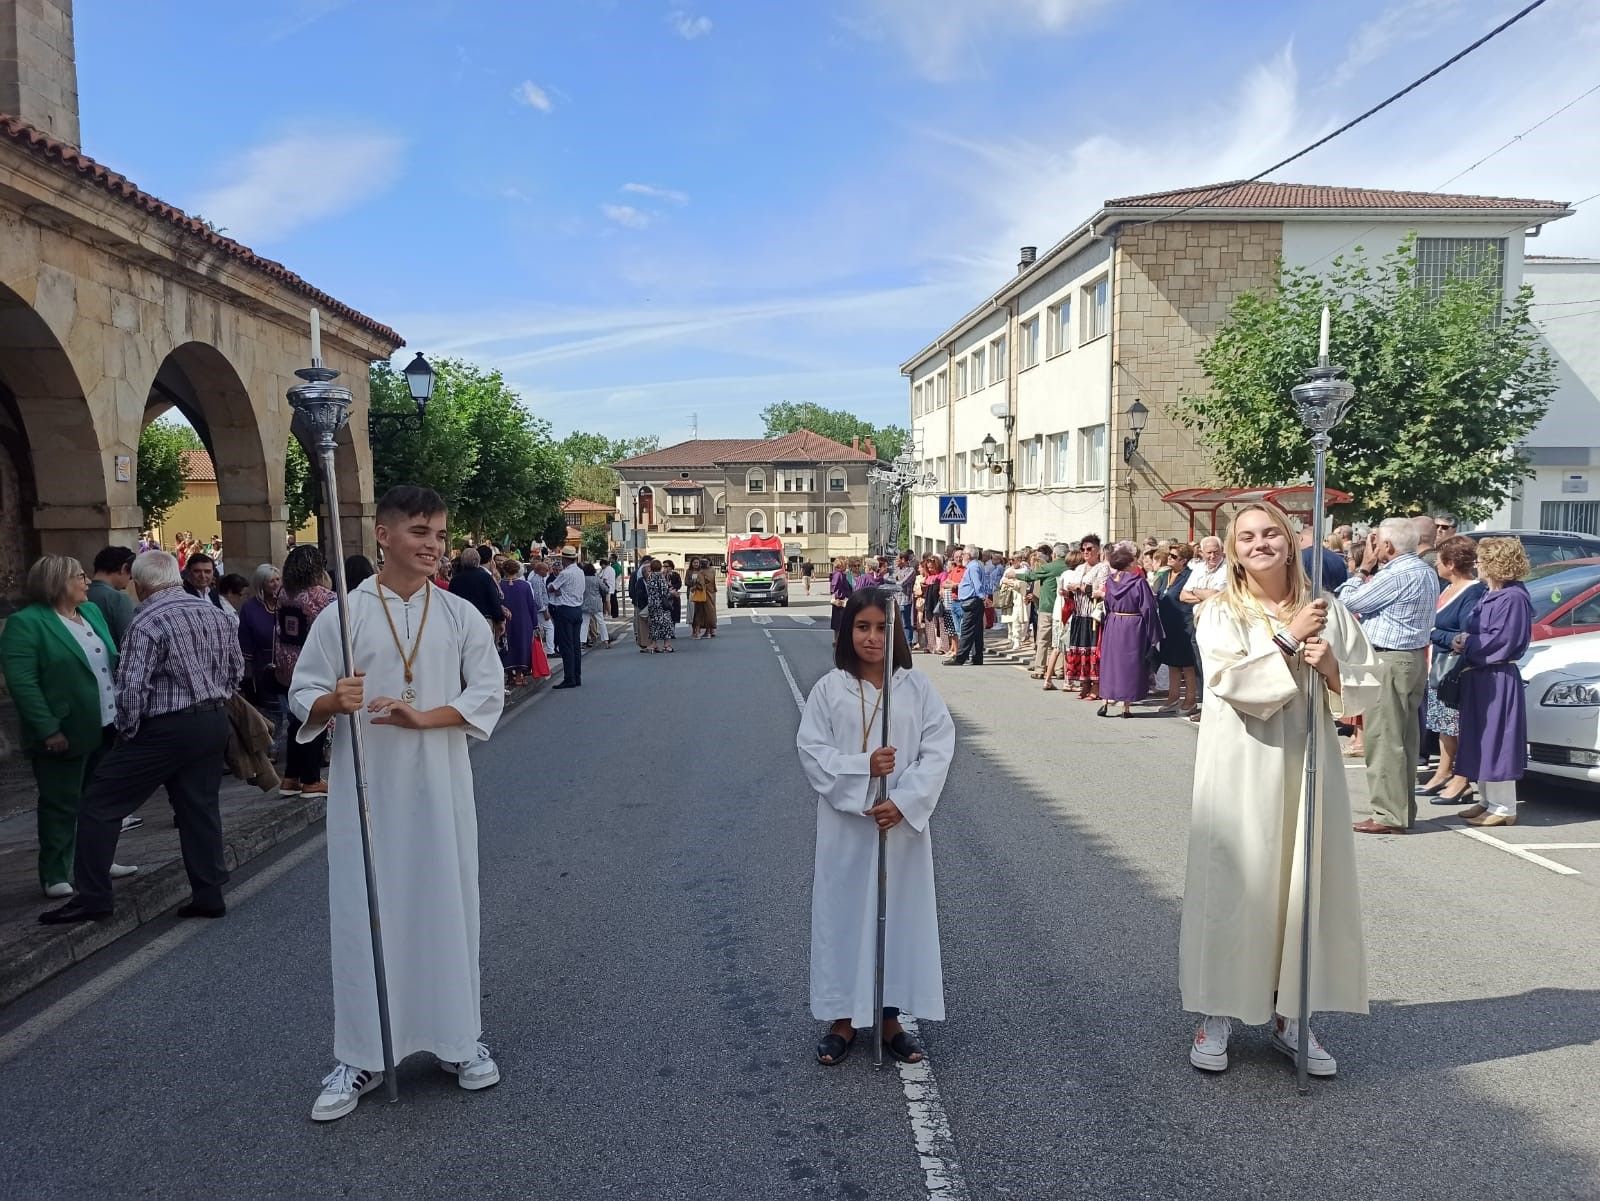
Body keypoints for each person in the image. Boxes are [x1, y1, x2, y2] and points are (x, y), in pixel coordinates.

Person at [289, 485, 506, 1121]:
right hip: (368, 792)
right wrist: (334, 701)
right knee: (366, 909)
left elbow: (486, 691)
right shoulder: (344, 617)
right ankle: (361, 1053)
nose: (433, 546)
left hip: (441, 785)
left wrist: (425, 717)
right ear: (383, 536)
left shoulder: (459, 615)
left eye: (439, 535)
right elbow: (304, 690)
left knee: (447, 904)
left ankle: (458, 1039)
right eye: (419, 533)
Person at [1179, 504, 1381, 1079]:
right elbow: (1232, 683)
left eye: (1270, 533)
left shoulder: (1325, 608)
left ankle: (1293, 1014)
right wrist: (1290, 642)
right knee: (1237, 882)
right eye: (1247, 536)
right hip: (1241, 762)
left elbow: (1365, 688)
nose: (1259, 543)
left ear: (1291, 542)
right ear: (1234, 548)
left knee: (1302, 885)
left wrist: (1334, 667)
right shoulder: (1220, 610)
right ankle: (1216, 1011)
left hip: (1307, 761)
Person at [39, 551, 244, 925]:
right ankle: (209, 892)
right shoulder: (215, 613)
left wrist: (128, 731)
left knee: (99, 804)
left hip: (166, 726)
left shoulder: (147, 620)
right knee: (199, 809)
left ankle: (93, 897)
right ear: (176, 576)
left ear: (140, 582)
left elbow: (132, 688)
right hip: (213, 718)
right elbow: (236, 669)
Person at [796, 588, 955, 1067]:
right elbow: (812, 752)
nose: (872, 637)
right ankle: (843, 1020)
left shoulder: (915, 687)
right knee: (845, 917)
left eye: (882, 628)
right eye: (862, 627)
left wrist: (903, 803)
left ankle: (889, 1019)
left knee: (896, 918)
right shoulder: (830, 688)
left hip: (900, 830)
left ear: (896, 632)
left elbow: (939, 748)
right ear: (848, 633)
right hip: (849, 829)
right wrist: (866, 770)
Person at [0, 555, 133, 898]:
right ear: (57, 582)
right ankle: (56, 871)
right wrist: (47, 728)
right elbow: (23, 683)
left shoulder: (90, 613)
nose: (87, 581)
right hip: (63, 730)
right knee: (62, 802)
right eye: (79, 576)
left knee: (103, 799)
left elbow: (111, 659)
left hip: (106, 722)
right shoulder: (26, 624)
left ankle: (100, 859)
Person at [1340, 517, 1440, 834]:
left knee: (1384, 739)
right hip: (1412, 659)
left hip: (1390, 659)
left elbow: (1347, 602)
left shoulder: (1397, 573)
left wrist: (1363, 569)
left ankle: (1387, 814)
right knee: (1404, 740)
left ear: (1387, 545)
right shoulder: (1425, 570)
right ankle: (1401, 810)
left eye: (1377, 542)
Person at [1451, 538, 1534, 828]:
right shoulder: (1492, 593)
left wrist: (1468, 641)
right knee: (1482, 737)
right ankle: (1487, 800)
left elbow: (1503, 641)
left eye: (1483, 559)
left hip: (1496, 676)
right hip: (1481, 675)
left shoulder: (1512, 598)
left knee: (1497, 739)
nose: (1477, 564)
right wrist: (1466, 640)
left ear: (1496, 563)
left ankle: (1504, 806)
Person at [1417, 537, 1485, 804]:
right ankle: (1443, 771)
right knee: (1443, 723)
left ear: (1452, 563)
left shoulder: (1473, 591)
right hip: (1437, 665)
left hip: (1453, 666)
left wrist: (1435, 634)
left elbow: (1464, 632)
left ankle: (1459, 777)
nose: (1436, 563)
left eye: (1440, 559)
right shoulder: (1447, 588)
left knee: (1454, 723)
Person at [276, 546, 337, 799]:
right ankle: (311, 779)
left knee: (296, 720)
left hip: (287, 661)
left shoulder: (284, 594)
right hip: (315, 663)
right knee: (316, 718)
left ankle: (291, 777)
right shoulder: (324, 598)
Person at [1096, 541, 1162, 717]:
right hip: (1133, 625)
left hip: (1114, 621)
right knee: (1130, 664)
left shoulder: (1110, 582)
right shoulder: (1138, 583)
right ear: (1128, 564)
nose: (1136, 564)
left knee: (1111, 663)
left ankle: (1105, 702)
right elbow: (1147, 608)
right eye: (1133, 561)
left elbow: (1108, 603)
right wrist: (1154, 632)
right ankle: (1126, 707)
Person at [239, 562, 286, 759]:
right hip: (263, 663)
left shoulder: (288, 603)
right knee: (271, 709)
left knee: (289, 708)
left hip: (288, 662)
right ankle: (271, 747)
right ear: (261, 584)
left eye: (277, 580)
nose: (275, 584)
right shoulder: (251, 608)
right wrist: (247, 673)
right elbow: (245, 641)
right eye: (270, 581)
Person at [1062, 535, 1110, 697]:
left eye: (1089, 549)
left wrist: (1081, 587)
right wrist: (1068, 590)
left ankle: (1096, 685)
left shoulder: (1102, 568)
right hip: (1079, 613)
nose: (1086, 552)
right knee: (1079, 648)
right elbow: (1073, 586)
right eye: (1083, 549)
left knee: (1092, 650)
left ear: (1098, 550)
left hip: (1093, 615)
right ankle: (1084, 683)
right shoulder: (1080, 568)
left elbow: (1101, 589)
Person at [1156, 543, 1199, 714]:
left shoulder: (1189, 575)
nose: (1169, 558)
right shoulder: (1166, 574)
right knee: (1172, 662)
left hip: (1184, 623)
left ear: (1183, 560)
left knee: (1186, 664)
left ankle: (1190, 699)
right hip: (1167, 624)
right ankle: (1173, 698)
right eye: (1169, 555)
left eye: (1174, 556)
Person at [945, 544, 999, 667]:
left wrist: (982, 597)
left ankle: (960, 658)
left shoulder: (973, 567)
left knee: (966, 630)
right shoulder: (976, 565)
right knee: (977, 631)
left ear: (968, 555)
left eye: (963, 554)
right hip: (974, 601)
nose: (962, 556)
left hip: (972, 601)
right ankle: (977, 657)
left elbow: (977, 584)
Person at [548, 547, 586, 688]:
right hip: (577, 609)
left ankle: (569, 678)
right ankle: (577, 676)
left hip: (565, 609)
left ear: (564, 559)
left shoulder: (565, 573)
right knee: (575, 646)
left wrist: (555, 588)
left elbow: (552, 587)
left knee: (566, 646)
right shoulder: (580, 572)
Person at [86, 546, 137, 647]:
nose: (128, 582)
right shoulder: (118, 599)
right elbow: (131, 642)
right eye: (130, 576)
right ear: (124, 568)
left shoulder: (81, 594)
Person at [499, 559, 537, 686]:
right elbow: (531, 605)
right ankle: (520, 676)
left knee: (508, 645)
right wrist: (535, 623)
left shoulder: (499, 584)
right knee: (522, 645)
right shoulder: (525, 586)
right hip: (523, 621)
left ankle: (510, 676)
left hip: (506, 621)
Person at [1299, 524, 1348, 593]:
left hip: (1306, 601)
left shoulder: (1299, 558)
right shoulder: (1338, 559)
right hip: (1333, 601)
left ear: (1301, 539)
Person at [643, 558, 675, 653]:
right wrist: (672, 593)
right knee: (666, 624)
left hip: (652, 604)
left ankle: (654, 644)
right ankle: (666, 645)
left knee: (654, 624)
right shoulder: (660, 577)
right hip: (661, 604)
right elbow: (663, 592)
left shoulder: (649, 577)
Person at [580, 561, 611, 648]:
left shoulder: (582, 580)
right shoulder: (597, 579)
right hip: (596, 603)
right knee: (601, 622)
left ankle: (582, 641)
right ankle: (605, 640)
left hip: (585, 603)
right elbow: (606, 589)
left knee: (584, 623)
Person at [688, 558, 719, 639]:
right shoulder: (712, 570)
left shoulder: (701, 573)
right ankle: (708, 632)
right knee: (709, 613)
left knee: (699, 614)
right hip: (711, 594)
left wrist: (694, 587)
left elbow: (700, 586)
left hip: (702, 596)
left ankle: (697, 633)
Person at [828, 556, 852, 644]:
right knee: (840, 622)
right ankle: (837, 640)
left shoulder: (840, 574)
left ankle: (837, 640)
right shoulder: (838, 575)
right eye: (845, 564)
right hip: (840, 601)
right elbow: (835, 587)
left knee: (838, 622)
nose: (846, 566)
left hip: (841, 600)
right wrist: (838, 597)